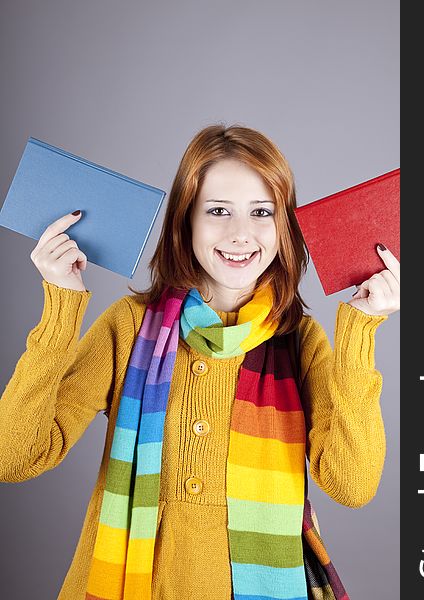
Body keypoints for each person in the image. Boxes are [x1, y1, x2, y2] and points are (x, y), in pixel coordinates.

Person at [0, 124, 400, 600]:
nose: (240, 234)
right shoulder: (128, 327)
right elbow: (15, 457)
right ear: (185, 220)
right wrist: (60, 309)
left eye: (261, 212)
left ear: (284, 226)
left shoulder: (299, 342)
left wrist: (362, 330)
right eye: (217, 211)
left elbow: (352, 485)